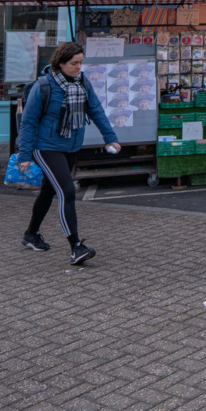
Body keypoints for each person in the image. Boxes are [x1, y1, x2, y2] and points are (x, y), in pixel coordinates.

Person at [16, 41, 121, 265]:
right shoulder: (44, 86)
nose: (78, 67)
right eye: (74, 63)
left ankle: (31, 234)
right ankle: (76, 247)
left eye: (81, 62)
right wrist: (24, 155)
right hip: (46, 147)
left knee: (48, 191)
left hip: (71, 146)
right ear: (61, 63)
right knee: (67, 191)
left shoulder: (82, 82)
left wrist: (110, 137)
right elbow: (28, 122)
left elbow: (96, 110)